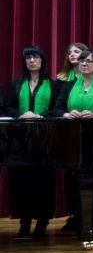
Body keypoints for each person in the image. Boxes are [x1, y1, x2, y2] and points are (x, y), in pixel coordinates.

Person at [52, 50, 93, 235]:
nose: (83, 64)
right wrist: (66, 114)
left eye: (88, 61)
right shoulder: (68, 85)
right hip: (72, 140)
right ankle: (77, 219)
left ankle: (92, 220)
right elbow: (56, 108)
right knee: (71, 181)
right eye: (81, 61)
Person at [5, 46, 58, 238]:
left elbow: (56, 109)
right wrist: (21, 114)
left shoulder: (52, 85)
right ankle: (24, 222)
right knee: (21, 181)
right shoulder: (17, 84)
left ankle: (42, 222)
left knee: (43, 181)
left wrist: (39, 115)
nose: (32, 60)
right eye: (28, 58)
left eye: (35, 57)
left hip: (45, 139)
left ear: (42, 61)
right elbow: (8, 107)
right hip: (20, 140)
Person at [56, 42, 89, 233]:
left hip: (87, 133)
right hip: (67, 133)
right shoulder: (61, 80)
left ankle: (87, 218)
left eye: (77, 51)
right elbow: (56, 106)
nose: (72, 55)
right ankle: (73, 215)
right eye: (69, 52)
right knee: (69, 177)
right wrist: (66, 114)